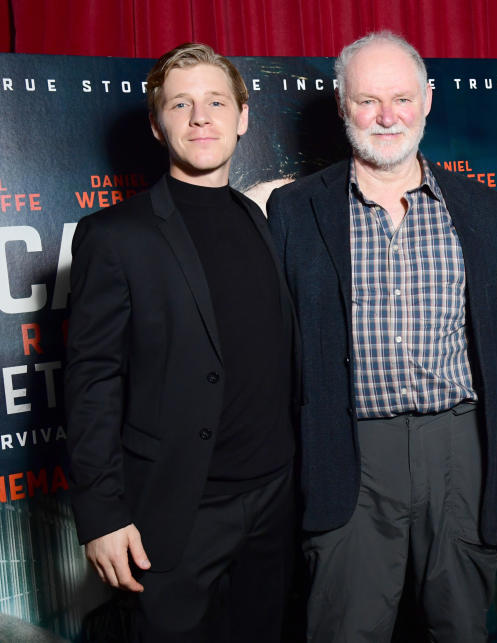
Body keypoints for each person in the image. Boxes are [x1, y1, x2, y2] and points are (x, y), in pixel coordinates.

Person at [266, 31, 497, 643]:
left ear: (429, 100)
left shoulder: (487, 212)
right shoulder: (295, 209)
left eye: (402, 99)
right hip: (346, 449)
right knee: (346, 629)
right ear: (341, 106)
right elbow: (278, 354)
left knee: (461, 627)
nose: (387, 117)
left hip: (461, 448)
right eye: (367, 101)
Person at [65, 43, 299, 642]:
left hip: (274, 502)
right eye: (181, 104)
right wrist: (102, 516)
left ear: (243, 117)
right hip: (175, 513)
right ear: (156, 122)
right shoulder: (114, 236)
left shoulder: (264, 221)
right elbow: (91, 383)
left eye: (217, 101)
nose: (201, 117)